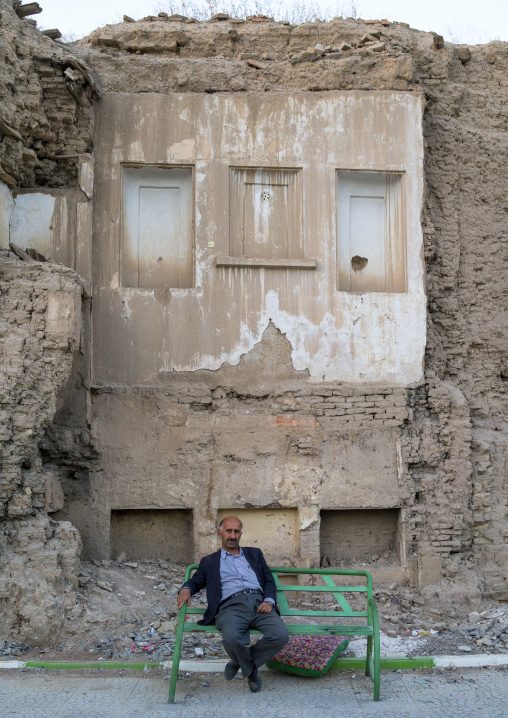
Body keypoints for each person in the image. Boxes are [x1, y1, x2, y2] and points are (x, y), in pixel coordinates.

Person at [177, 515, 289, 692]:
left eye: (236, 532)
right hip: (231, 607)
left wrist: (269, 600)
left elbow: (268, 580)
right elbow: (197, 580)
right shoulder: (209, 561)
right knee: (231, 639)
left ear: (241, 534)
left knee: (281, 635)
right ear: (220, 533)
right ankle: (252, 670)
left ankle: (242, 662)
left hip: (260, 603)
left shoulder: (254, 554)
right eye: (228, 531)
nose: (232, 535)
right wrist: (186, 589)